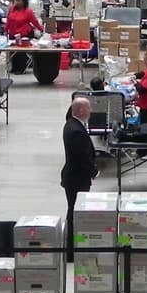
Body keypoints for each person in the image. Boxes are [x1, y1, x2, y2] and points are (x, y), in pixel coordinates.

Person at [60, 97, 96, 263]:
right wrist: (93, 171)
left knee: (72, 210)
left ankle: (72, 246)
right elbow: (82, 158)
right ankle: (71, 249)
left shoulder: (71, 124)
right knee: (74, 213)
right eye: (88, 108)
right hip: (77, 178)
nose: (91, 111)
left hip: (72, 176)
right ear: (81, 111)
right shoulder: (76, 132)